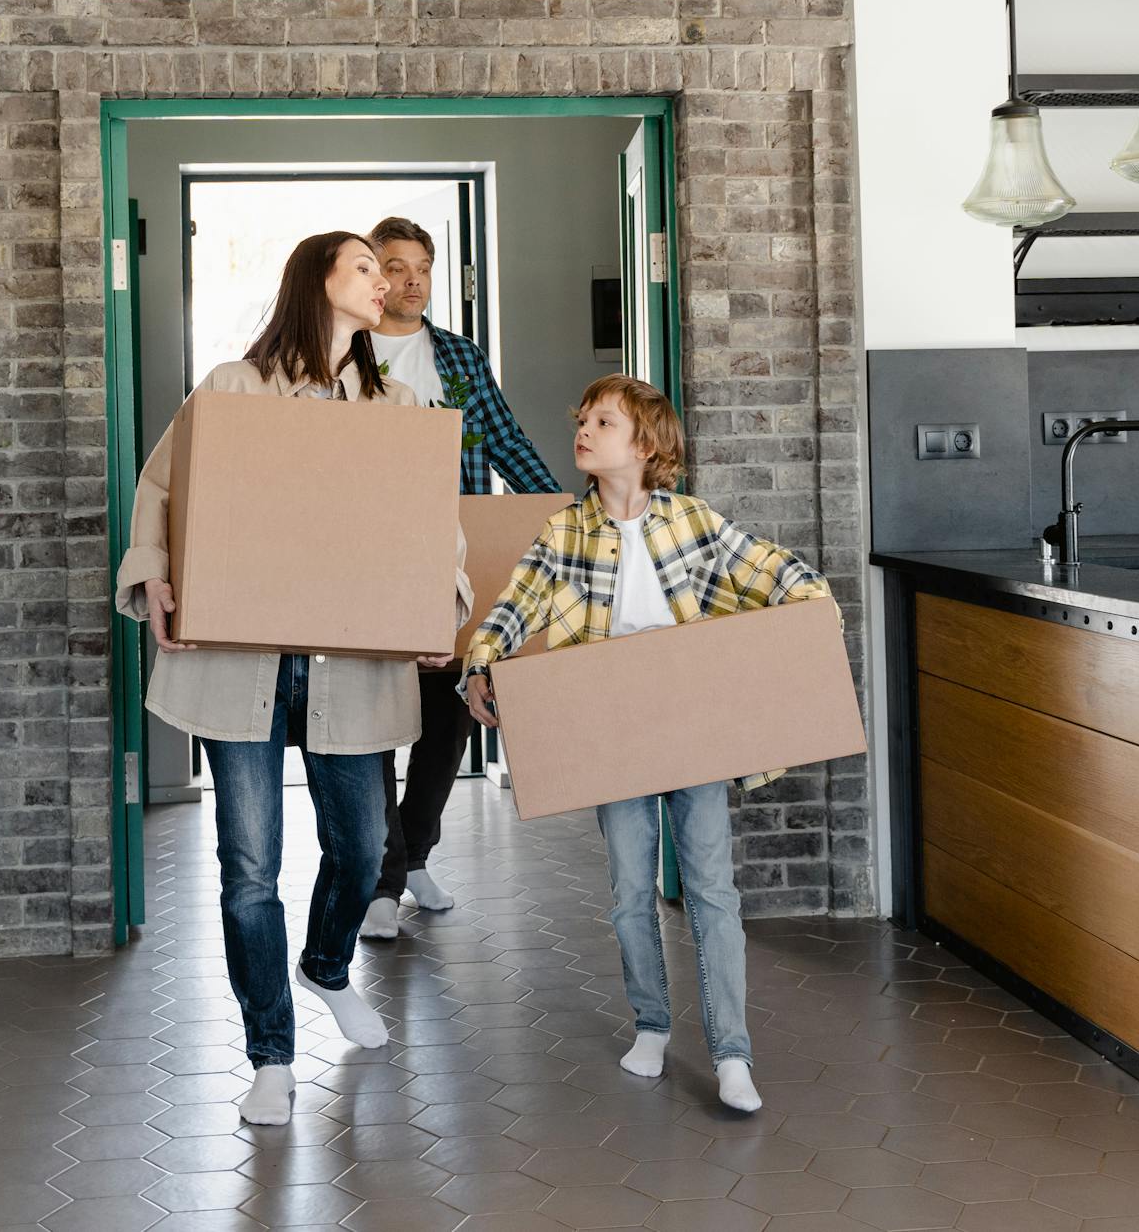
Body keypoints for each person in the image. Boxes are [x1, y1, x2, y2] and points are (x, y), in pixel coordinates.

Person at [115, 231, 470, 1129]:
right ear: (318, 279)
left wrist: (441, 602)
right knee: (249, 869)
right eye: (364, 264)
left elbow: (434, 520)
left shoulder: (391, 403)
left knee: (358, 849)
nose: (383, 278)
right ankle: (270, 1051)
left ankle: (326, 964)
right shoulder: (233, 388)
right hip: (244, 667)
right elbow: (162, 487)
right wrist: (152, 570)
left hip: (347, 664)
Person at [460, 375, 832, 1115]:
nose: (585, 430)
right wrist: (479, 661)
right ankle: (653, 1025)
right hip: (611, 727)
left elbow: (766, 566)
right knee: (632, 890)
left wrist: (816, 610)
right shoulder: (565, 531)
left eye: (603, 420)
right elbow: (515, 603)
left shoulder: (690, 520)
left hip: (691, 719)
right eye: (584, 418)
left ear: (646, 443)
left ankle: (732, 1053)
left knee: (711, 890)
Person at [360, 214, 562, 943]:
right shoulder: (341, 355)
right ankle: (381, 880)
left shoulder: (459, 358)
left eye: (422, 267)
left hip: (455, 564)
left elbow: (505, 439)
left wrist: (564, 511)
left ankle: (413, 855)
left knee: (447, 722)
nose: (411, 280)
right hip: (369, 562)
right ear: (373, 273)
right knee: (373, 721)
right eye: (395, 266)